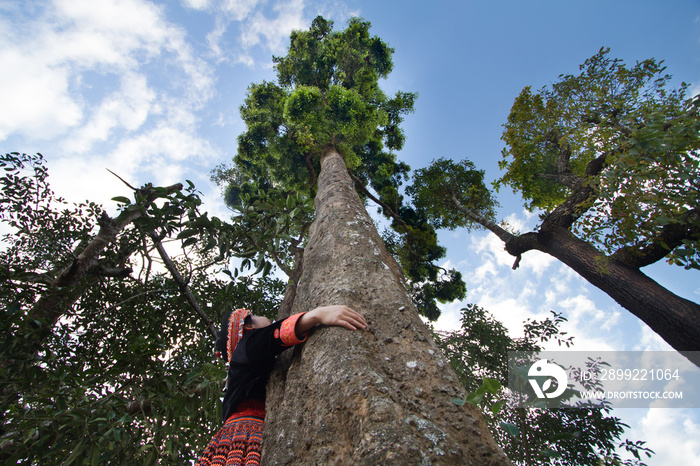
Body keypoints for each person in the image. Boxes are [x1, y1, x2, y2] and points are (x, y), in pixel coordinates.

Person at [195, 305, 367, 466]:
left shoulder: (243, 362)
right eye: (254, 316)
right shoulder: (245, 347)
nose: (264, 317)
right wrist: (317, 315)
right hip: (245, 433)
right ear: (248, 328)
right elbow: (270, 337)